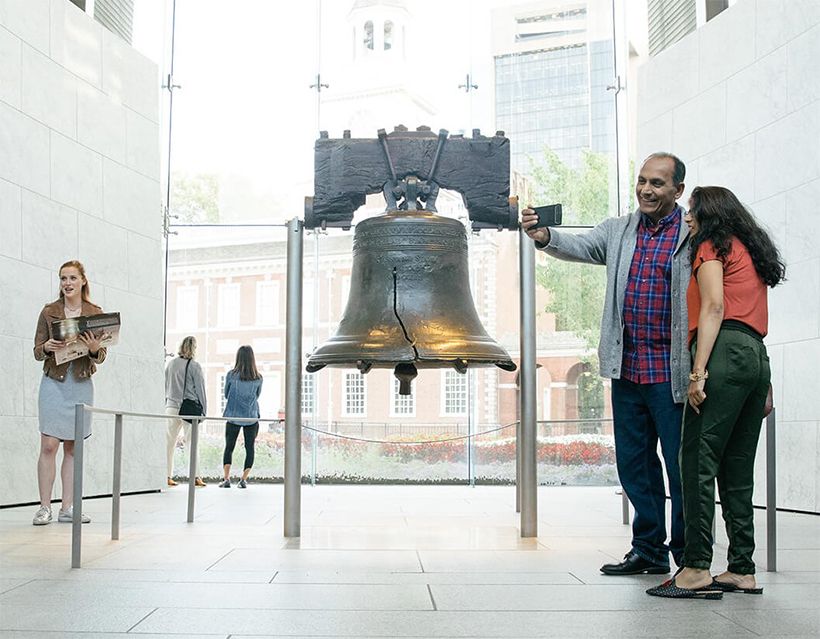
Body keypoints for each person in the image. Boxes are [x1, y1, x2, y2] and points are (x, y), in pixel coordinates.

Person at [522, 153, 690, 575]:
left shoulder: (694, 234)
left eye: (657, 183)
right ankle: (648, 550)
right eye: (641, 182)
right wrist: (544, 235)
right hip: (628, 369)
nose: (646, 191)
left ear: (677, 191)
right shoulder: (619, 231)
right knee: (635, 464)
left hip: (673, 373)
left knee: (681, 466)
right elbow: (580, 245)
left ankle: (690, 557)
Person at [647, 186, 784, 599]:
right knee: (738, 470)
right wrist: (762, 380)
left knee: (696, 460)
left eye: (692, 211)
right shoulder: (750, 250)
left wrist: (698, 373)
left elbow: (714, 308)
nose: (687, 218)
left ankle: (695, 568)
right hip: (754, 357)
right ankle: (742, 568)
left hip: (722, 351)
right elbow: (750, 318)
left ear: (709, 214)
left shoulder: (711, 245)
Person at [32, 260, 107, 526]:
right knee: (49, 444)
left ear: (83, 281)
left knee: (73, 447)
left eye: (72, 278)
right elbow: (36, 350)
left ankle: (68, 508)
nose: (67, 283)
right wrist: (47, 347)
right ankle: (44, 507)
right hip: (54, 382)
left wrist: (96, 347)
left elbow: (101, 356)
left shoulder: (94, 312)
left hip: (81, 383)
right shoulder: (49, 311)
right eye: (63, 278)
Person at [165, 336, 207, 487]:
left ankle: (166, 476)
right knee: (192, 443)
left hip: (171, 407)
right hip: (188, 408)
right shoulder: (195, 366)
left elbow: (165, 385)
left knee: (169, 443)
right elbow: (200, 390)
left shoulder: (171, 364)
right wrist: (204, 410)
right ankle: (195, 477)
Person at [219, 345, 263, 489]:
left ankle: (226, 479)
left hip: (233, 415)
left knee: (229, 447)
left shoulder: (231, 375)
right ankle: (243, 480)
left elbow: (226, 394)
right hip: (251, 417)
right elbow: (257, 396)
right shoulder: (258, 378)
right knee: (250, 448)